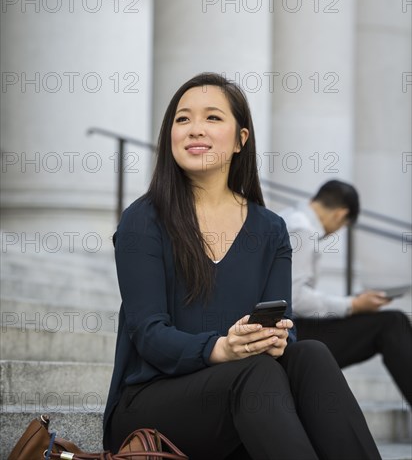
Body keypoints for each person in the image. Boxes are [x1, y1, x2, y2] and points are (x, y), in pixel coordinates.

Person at [103, 73, 382, 460]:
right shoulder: (144, 219)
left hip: (244, 395)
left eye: (212, 118)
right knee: (256, 372)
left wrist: (276, 339)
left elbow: (283, 327)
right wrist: (221, 349)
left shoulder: (270, 229)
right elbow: (149, 336)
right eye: (182, 119)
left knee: (310, 354)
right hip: (151, 405)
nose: (194, 129)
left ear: (240, 140)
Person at [280, 180, 412, 407]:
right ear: (341, 215)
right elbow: (296, 299)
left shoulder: (290, 218)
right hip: (290, 335)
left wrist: (353, 304)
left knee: (390, 322)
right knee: (392, 323)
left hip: (290, 330)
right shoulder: (302, 230)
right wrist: (353, 305)